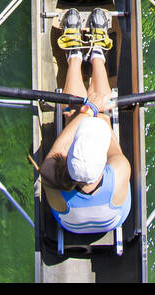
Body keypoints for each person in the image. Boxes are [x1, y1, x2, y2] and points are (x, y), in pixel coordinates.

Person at [39, 24, 132, 234]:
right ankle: (98, 55)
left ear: (71, 155)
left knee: (76, 116)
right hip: (114, 217)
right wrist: (95, 110)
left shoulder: (49, 173)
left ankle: (74, 57)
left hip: (68, 223)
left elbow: (58, 146)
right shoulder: (119, 170)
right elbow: (111, 140)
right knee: (104, 119)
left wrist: (86, 111)